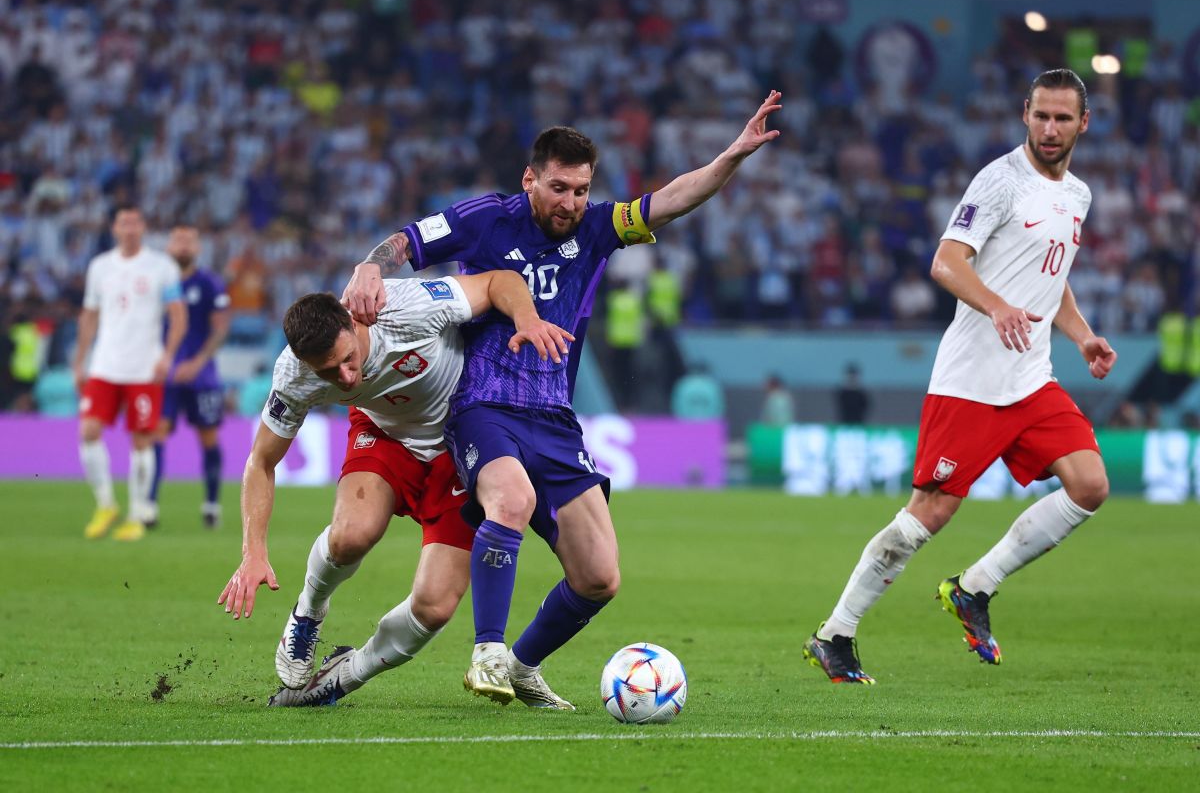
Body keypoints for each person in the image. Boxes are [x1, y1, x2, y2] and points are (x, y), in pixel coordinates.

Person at [342, 92, 781, 708]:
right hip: (484, 405)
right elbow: (408, 242)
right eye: (558, 188)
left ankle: (522, 665)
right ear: (530, 179)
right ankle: (487, 651)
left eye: (580, 190)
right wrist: (371, 265)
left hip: (554, 418)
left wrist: (732, 155)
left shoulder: (597, 229)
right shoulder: (485, 218)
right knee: (510, 500)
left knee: (600, 576)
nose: (570, 203)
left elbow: (673, 199)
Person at [803, 69, 1117, 684]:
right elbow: (946, 262)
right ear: (1024, 113)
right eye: (1041, 115)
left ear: (1084, 123)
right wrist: (996, 306)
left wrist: (1082, 336)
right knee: (929, 514)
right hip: (971, 382)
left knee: (1090, 485)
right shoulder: (1000, 181)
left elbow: (1051, 276)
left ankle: (975, 588)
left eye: (1062, 118)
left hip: (1032, 379)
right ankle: (835, 633)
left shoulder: (1078, 195)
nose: (1050, 128)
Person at [217, 271, 571, 707]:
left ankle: (342, 676)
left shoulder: (409, 308)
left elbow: (499, 280)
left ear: (354, 322)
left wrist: (526, 318)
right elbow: (261, 462)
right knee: (352, 535)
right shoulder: (294, 375)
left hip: (462, 438)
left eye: (348, 359)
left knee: (435, 607)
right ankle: (308, 611)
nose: (346, 378)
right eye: (328, 372)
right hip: (384, 434)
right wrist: (253, 551)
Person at [74, 206, 186, 542]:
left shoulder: (161, 267)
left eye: (135, 222)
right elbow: (89, 316)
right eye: (124, 223)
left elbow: (178, 315)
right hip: (104, 365)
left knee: (141, 439)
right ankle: (106, 504)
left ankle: (137, 513)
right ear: (115, 228)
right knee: (88, 430)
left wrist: (167, 356)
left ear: (143, 227)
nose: (130, 228)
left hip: (143, 368)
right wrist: (79, 361)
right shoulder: (100, 267)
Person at [148, 224, 231, 529]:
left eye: (189, 241)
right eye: (178, 240)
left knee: (208, 436)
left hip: (201, 375)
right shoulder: (156, 282)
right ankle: (149, 505)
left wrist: (197, 363)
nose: (183, 246)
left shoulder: (210, 283)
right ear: (168, 246)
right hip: (163, 373)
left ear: (198, 248)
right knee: (156, 433)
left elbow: (220, 328)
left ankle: (211, 504)